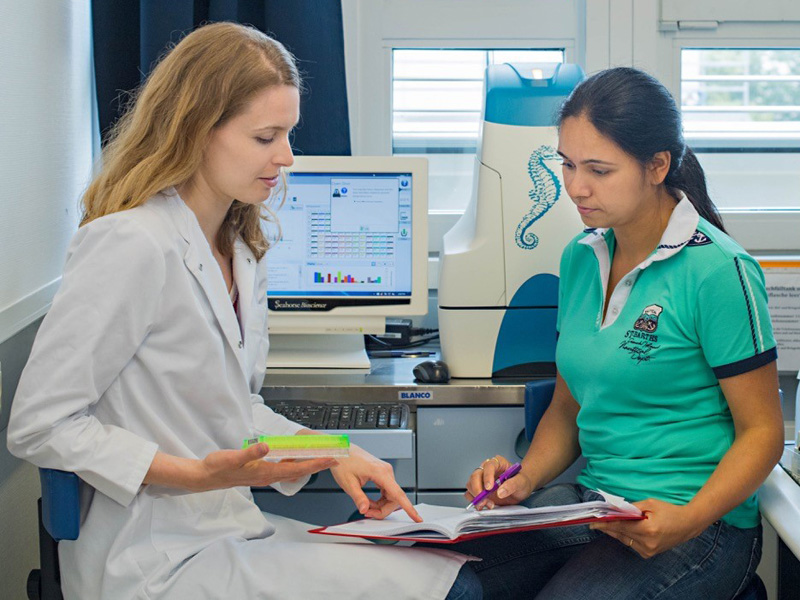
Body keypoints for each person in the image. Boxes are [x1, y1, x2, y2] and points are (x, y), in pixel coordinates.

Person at [6, 22, 480, 600]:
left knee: (460, 566)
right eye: (265, 137)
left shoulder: (240, 247)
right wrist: (197, 475)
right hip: (152, 556)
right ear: (196, 131)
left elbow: (238, 409)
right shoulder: (132, 243)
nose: (285, 157)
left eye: (288, 135)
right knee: (454, 592)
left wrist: (335, 451)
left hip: (228, 533)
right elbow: (40, 424)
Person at [449, 67, 785, 599]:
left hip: (699, 525)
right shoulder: (582, 259)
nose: (575, 187)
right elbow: (568, 408)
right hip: (598, 504)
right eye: (567, 164)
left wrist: (687, 519)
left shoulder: (719, 271)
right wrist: (525, 478)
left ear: (657, 166)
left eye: (599, 170)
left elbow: (764, 433)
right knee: (439, 577)